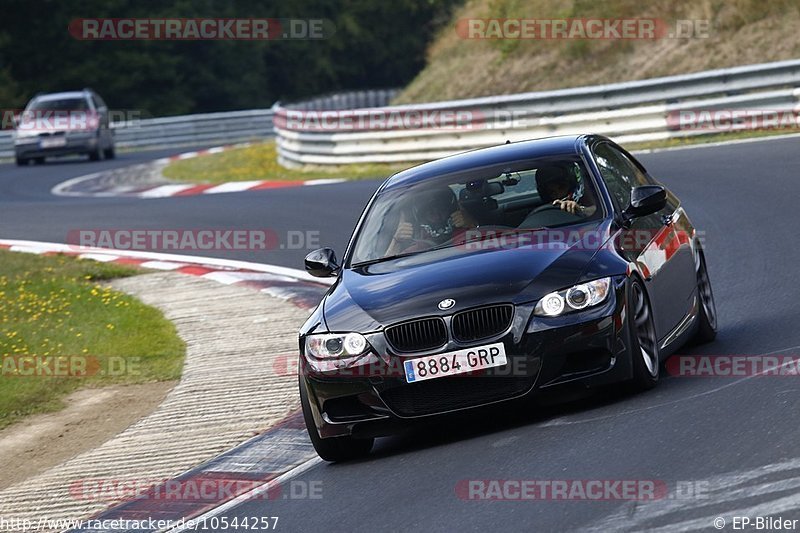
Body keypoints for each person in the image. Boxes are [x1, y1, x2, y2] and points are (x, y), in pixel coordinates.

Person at [385, 186, 476, 256]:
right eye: (430, 212)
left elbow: (486, 248)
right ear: (420, 216)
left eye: (441, 209)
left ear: (452, 210)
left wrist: (473, 226)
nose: (436, 215)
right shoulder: (416, 249)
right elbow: (385, 271)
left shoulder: (468, 236)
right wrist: (396, 241)